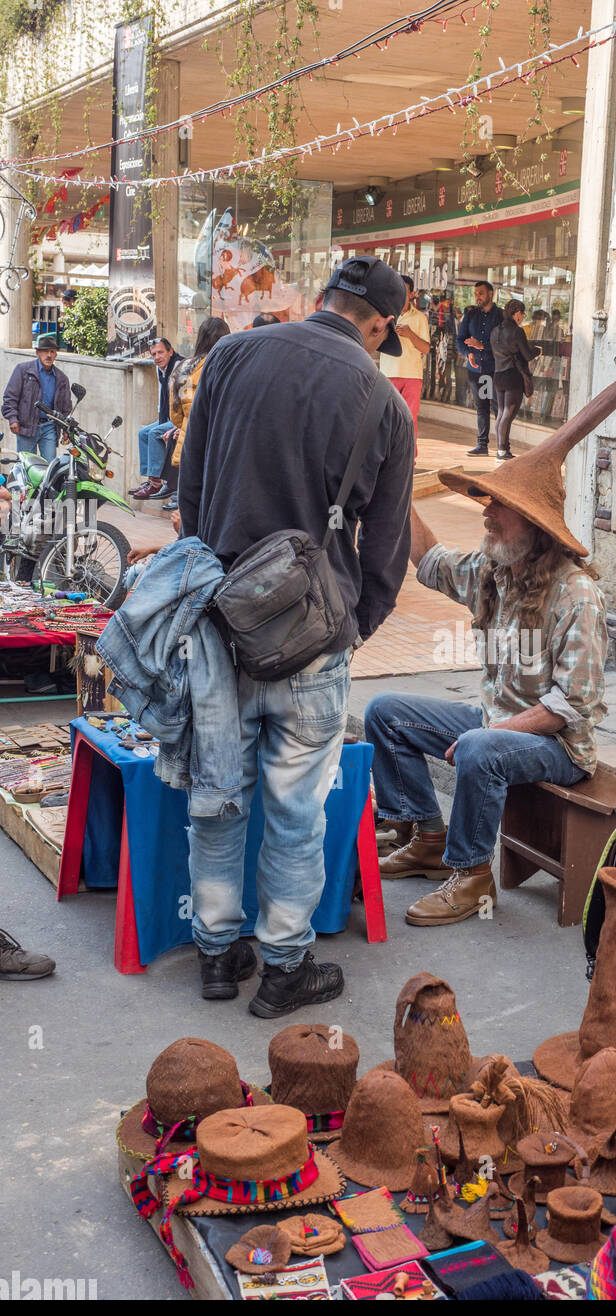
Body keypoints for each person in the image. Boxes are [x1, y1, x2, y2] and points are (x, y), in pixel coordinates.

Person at [177, 254, 414, 1015]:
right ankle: (284, 967)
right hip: (313, 637)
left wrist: (218, 580)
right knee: (296, 807)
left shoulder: (232, 355)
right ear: (379, 322)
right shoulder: (384, 401)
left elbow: (190, 490)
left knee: (219, 796)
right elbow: (384, 548)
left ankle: (216, 954)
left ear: (323, 300)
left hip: (217, 619)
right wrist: (354, 627)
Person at [365, 450, 609, 928]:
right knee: (383, 712)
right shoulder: (495, 571)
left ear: (535, 525)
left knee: (481, 747)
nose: (486, 512)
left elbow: (572, 705)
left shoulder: (576, 594)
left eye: (499, 505)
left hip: (558, 746)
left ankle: (473, 875)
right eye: (487, 501)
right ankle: (428, 838)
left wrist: (491, 734)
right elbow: (431, 560)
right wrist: (392, 483)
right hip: (494, 723)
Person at [163, 318, 231, 513]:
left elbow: (175, 416)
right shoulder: (229, 366)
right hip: (221, 443)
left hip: (190, 444)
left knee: (190, 509)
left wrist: (186, 421)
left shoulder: (183, 368)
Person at [380, 275, 430, 460]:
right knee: (385, 417)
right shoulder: (384, 314)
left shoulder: (419, 318)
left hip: (412, 375)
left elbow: (425, 348)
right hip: (387, 374)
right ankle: (385, 456)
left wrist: (409, 334)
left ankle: (409, 457)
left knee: (409, 419)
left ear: (412, 294)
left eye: (405, 291)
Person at [1, 336, 71, 461]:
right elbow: (10, 397)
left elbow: (66, 408)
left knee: (49, 467)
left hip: (49, 427)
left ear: (56, 355)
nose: (49, 355)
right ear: (37, 353)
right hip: (26, 426)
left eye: (52, 352)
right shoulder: (23, 370)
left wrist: (66, 428)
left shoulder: (62, 378)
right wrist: (12, 418)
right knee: (27, 466)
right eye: (45, 351)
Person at [131, 337, 183, 500]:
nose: (157, 357)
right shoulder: (160, 369)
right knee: (143, 433)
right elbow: (163, 395)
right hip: (168, 416)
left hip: (181, 419)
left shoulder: (178, 367)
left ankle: (155, 483)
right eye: (153, 354)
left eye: (161, 352)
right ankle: (150, 479)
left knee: (154, 433)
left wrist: (175, 425)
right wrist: (161, 418)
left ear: (170, 352)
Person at [456, 280, 503, 456]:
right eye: (476, 294)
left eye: (481, 293)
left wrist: (482, 345)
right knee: (482, 407)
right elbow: (460, 340)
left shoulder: (500, 316)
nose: (477, 297)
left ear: (491, 294)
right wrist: (468, 352)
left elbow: (504, 343)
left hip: (495, 369)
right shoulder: (470, 315)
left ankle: (502, 446)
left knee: (498, 408)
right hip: (477, 371)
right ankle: (482, 445)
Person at [490, 299, 540, 460]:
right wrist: (537, 351)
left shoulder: (495, 331)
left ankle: (501, 449)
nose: (523, 317)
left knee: (500, 414)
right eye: (522, 314)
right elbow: (526, 355)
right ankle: (502, 451)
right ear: (517, 313)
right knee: (508, 414)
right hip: (513, 375)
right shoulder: (516, 331)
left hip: (498, 375)